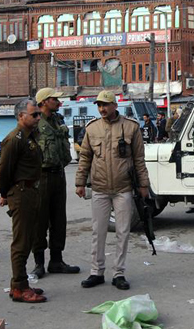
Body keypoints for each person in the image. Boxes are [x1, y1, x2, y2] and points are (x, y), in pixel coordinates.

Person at [75, 90, 149, 290]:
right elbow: (85, 158)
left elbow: (139, 160)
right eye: (99, 105)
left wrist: (144, 185)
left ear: (115, 105)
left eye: (105, 105)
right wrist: (80, 182)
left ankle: (119, 273)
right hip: (99, 188)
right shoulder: (92, 129)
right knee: (98, 232)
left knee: (122, 232)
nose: (102, 109)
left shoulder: (131, 127)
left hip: (123, 188)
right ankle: (96, 272)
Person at [0, 98, 47, 303]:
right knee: (21, 241)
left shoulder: (30, 137)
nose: (38, 118)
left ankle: (22, 283)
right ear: (21, 116)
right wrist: (4, 194)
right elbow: (4, 171)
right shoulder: (15, 139)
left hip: (30, 192)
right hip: (21, 193)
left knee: (28, 238)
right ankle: (18, 287)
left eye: (38, 114)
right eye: (34, 114)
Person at [31, 88, 78, 278]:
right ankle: (39, 263)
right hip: (41, 176)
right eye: (54, 100)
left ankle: (56, 261)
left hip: (58, 174)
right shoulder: (34, 122)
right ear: (43, 102)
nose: (58, 103)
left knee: (59, 220)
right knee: (39, 221)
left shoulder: (58, 120)